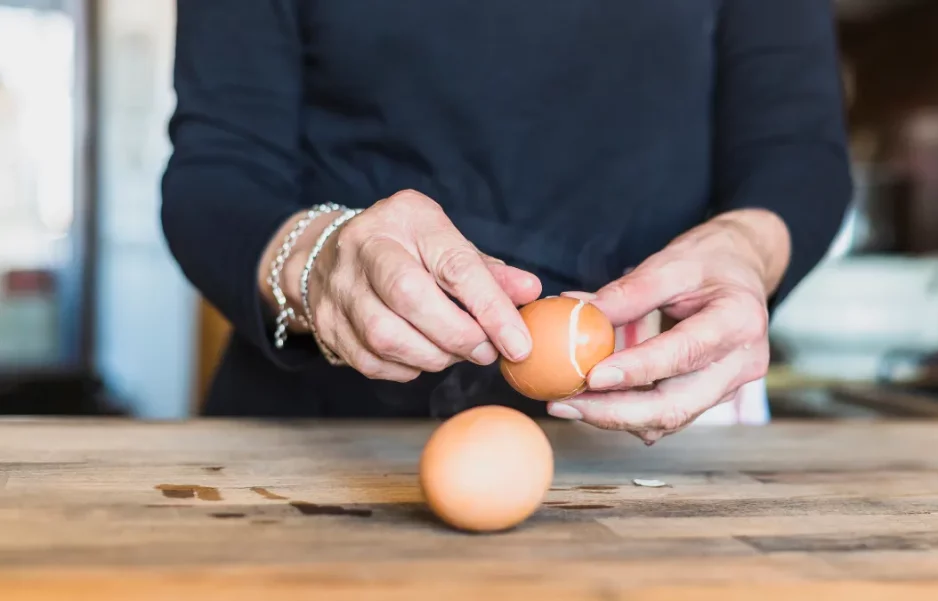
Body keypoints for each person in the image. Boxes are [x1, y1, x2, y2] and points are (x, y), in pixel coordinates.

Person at [161, 0, 852, 443]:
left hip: (656, 440)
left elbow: (796, 153)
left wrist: (745, 248)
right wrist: (318, 259)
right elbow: (217, 171)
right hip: (321, 437)